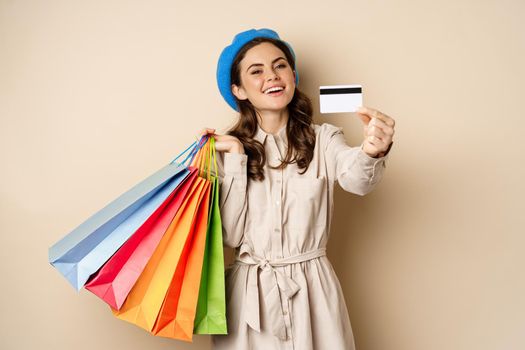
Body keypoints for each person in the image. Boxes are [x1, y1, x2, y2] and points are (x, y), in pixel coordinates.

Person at [198, 28, 395, 350]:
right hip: (249, 298)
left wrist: (373, 151)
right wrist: (235, 159)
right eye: (256, 71)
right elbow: (229, 237)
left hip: (313, 288)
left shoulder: (325, 139)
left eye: (280, 66)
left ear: (293, 75)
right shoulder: (222, 150)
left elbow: (356, 181)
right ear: (239, 89)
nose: (272, 76)